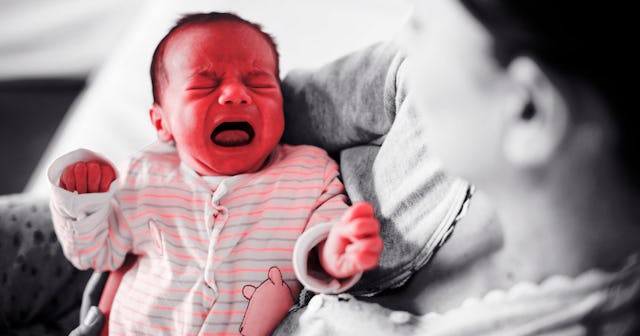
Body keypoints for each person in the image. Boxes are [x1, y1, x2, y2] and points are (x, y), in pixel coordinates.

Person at [273, 0, 640, 334]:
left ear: (528, 111)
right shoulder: (429, 113)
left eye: (421, 26)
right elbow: (272, 106)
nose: (403, 39)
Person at [47, 12, 382, 336]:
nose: (236, 94)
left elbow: (324, 229)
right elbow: (95, 253)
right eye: (204, 85)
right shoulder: (146, 173)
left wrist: (333, 251)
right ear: (162, 123)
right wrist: (83, 199)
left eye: (258, 83)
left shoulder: (309, 170)